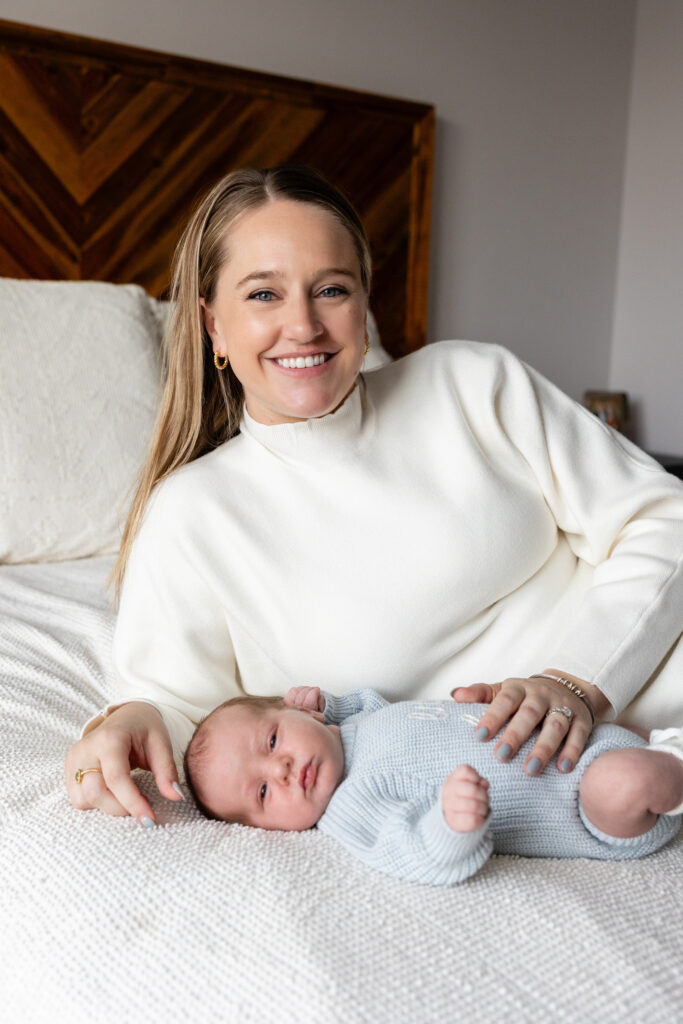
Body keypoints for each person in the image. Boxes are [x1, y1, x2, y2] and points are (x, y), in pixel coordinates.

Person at [65, 165, 683, 829]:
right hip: (573, 800)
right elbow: (174, 711)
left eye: (330, 289)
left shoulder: (472, 384)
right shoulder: (192, 516)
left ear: (364, 304)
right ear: (213, 326)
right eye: (264, 295)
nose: (302, 326)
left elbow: (662, 516)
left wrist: (576, 683)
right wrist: (121, 724)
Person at [182, 685, 683, 885]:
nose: (283, 770)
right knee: (629, 778)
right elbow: (411, 848)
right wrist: (452, 823)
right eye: (264, 794)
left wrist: (330, 708)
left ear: (297, 710)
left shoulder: (356, 727)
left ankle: (664, 750)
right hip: (584, 806)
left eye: (272, 740)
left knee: (636, 748)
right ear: (267, 830)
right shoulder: (350, 804)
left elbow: (363, 705)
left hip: (585, 736)